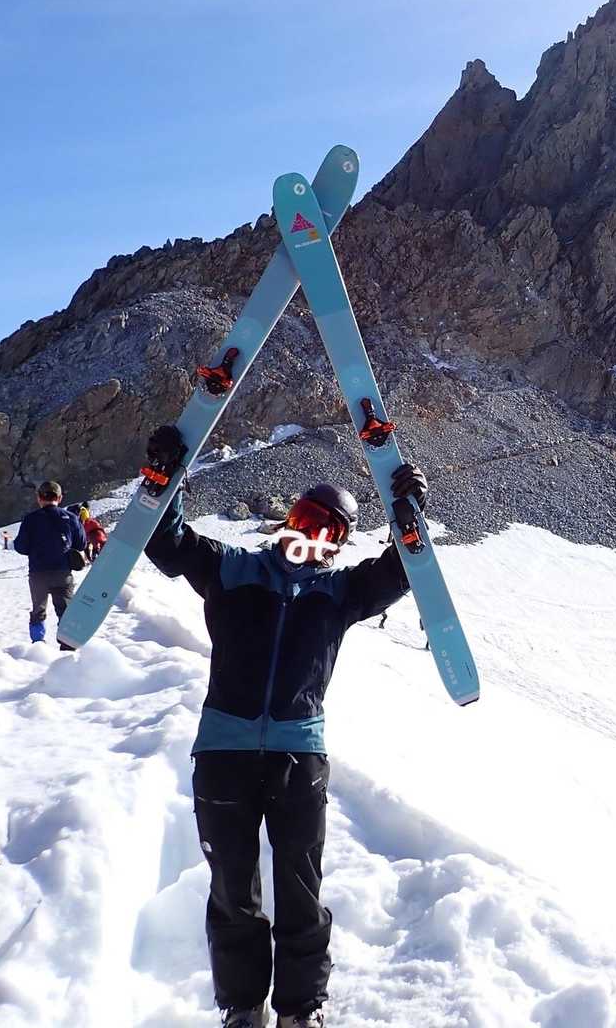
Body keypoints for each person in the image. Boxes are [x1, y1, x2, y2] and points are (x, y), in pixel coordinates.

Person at [142, 423, 426, 1028]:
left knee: (300, 889)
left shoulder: (340, 592)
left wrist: (408, 512)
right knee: (232, 889)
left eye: (330, 532)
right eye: (306, 520)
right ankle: (243, 1007)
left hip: (300, 758)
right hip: (223, 754)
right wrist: (166, 478)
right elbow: (167, 544)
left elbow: (404, 570)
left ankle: (301, 1009)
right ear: (288, 520)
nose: (313, 536)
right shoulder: (231, 569)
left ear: (338, 545)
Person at [13, 480, 86, 647]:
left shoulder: (30, 519)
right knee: (65, 611)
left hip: (38, 573)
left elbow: (20, 546)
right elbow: (81, 544)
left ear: (39, 498)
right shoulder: (71, 518)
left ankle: (38, 645)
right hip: (63, 572)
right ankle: (67, 645)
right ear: (59, 498)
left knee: (38, 610)